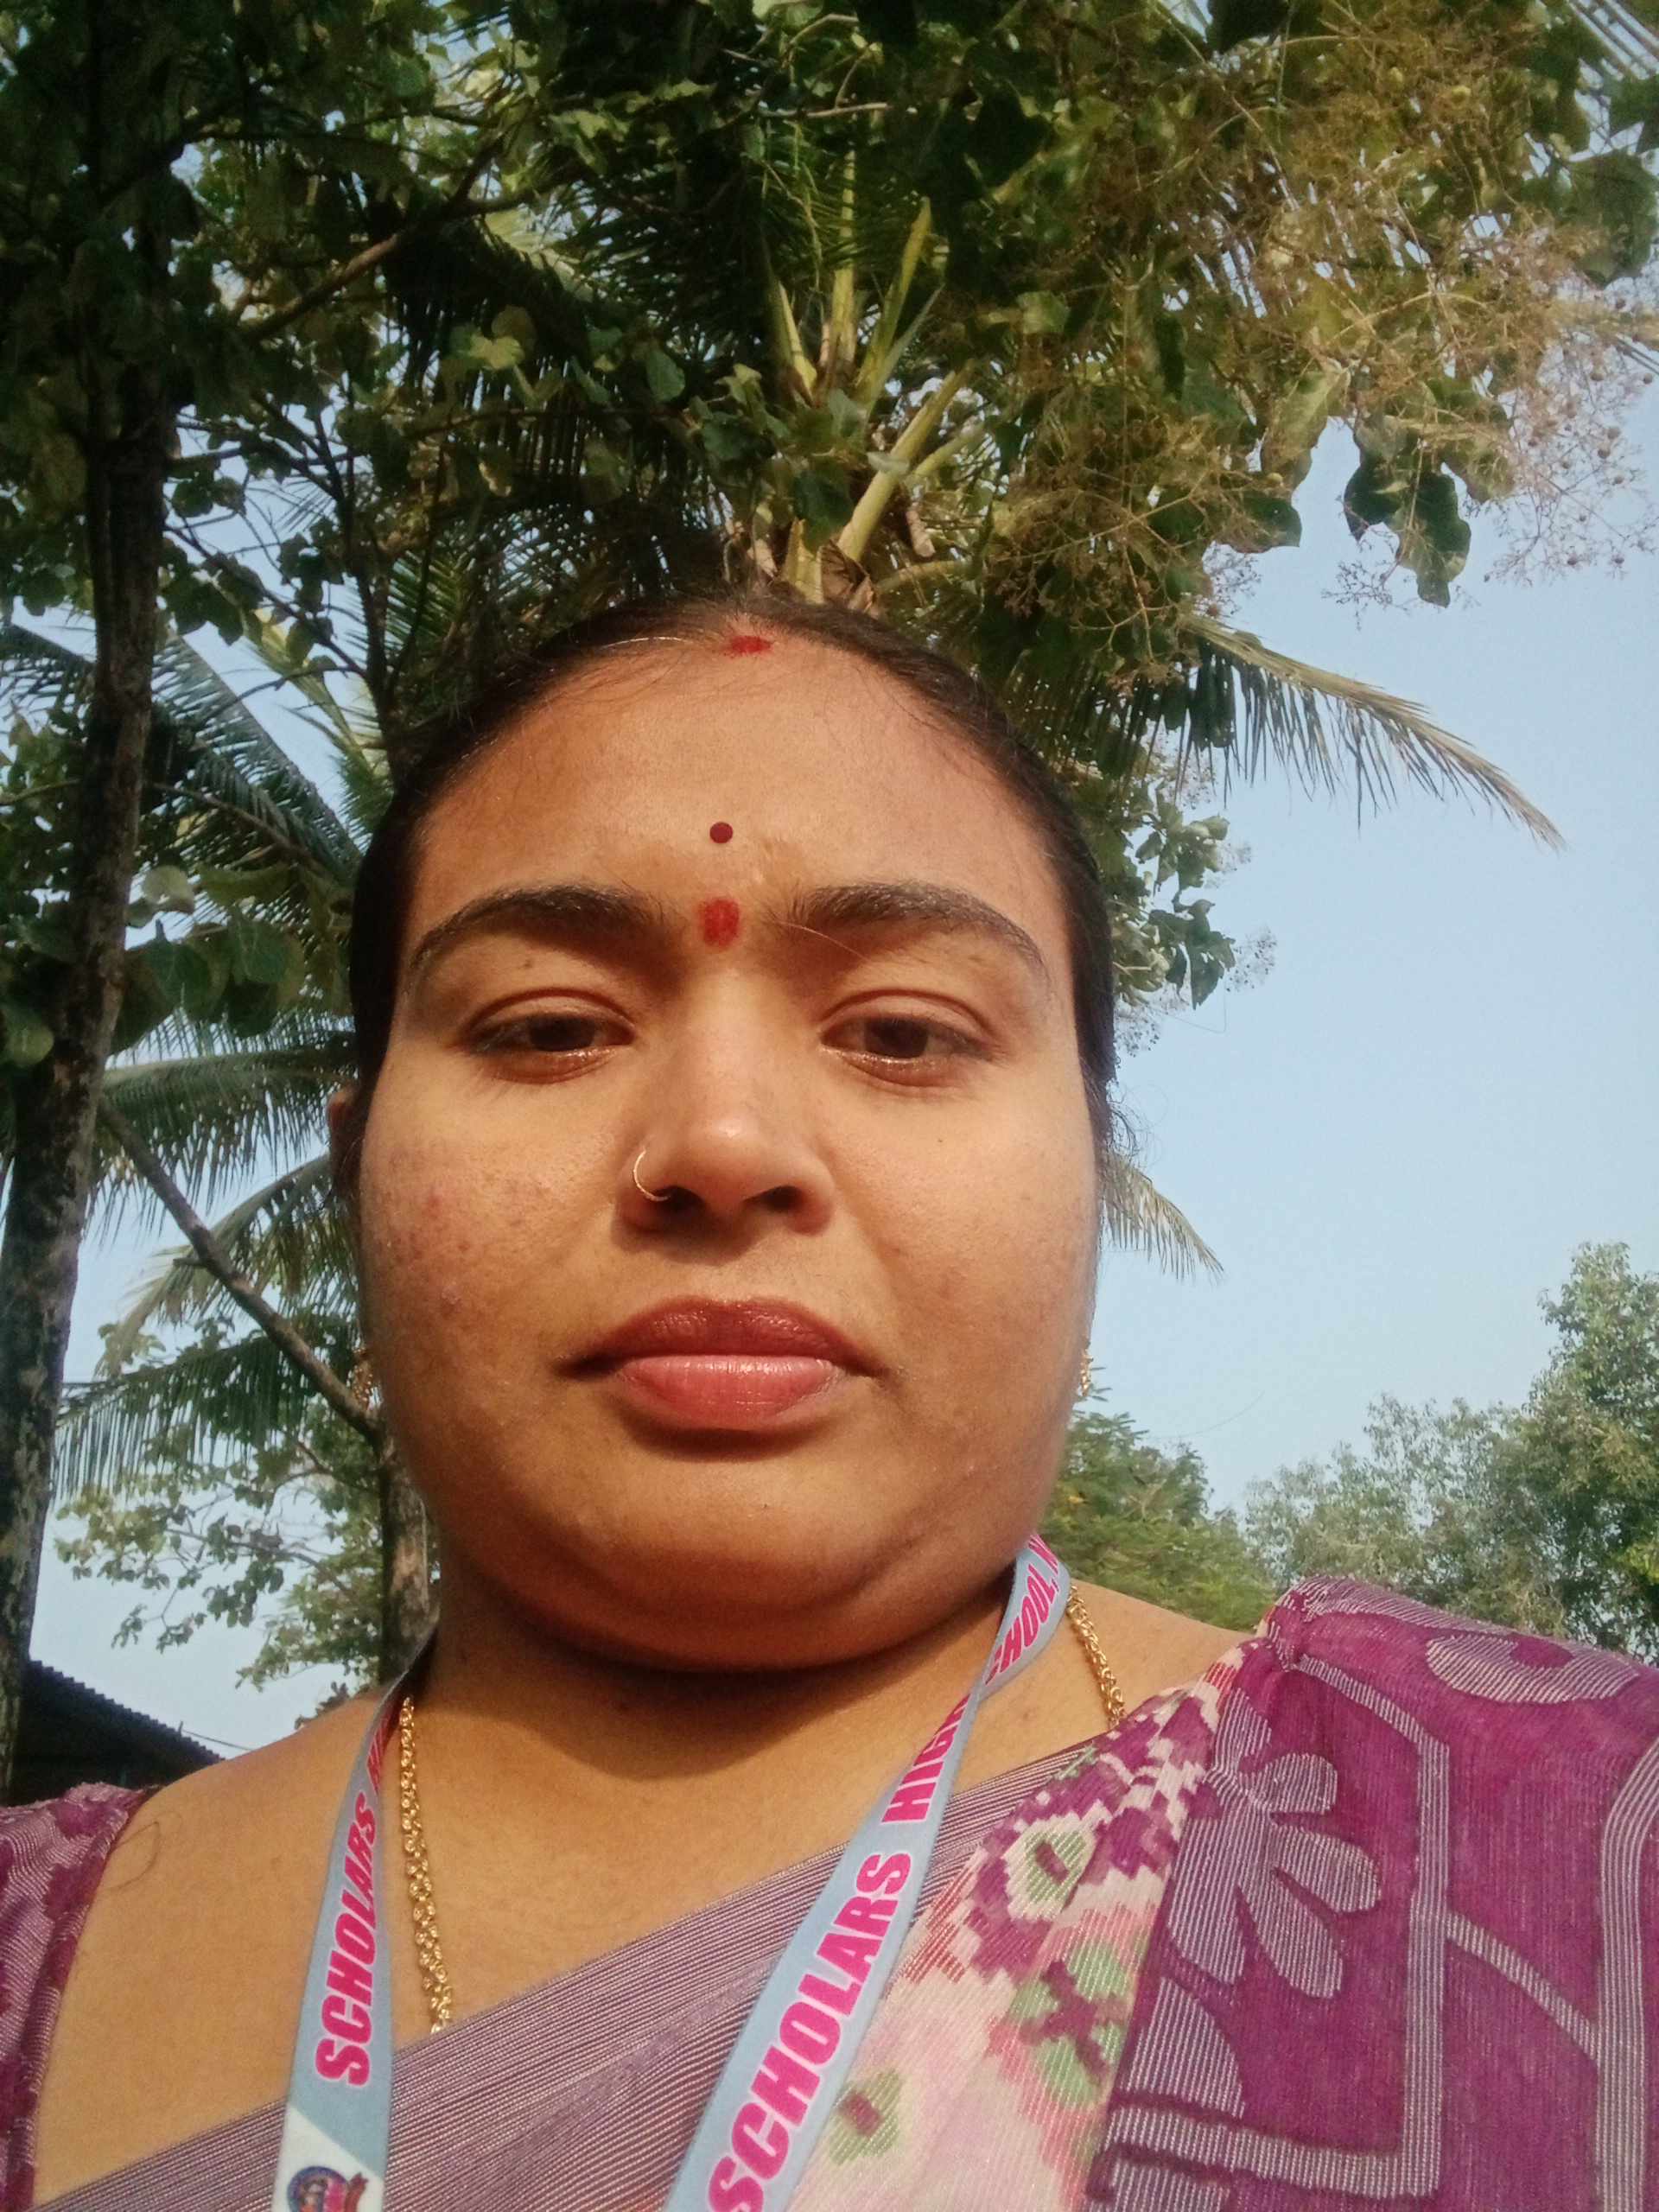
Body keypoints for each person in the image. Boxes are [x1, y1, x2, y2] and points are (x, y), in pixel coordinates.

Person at [10, 590, 1656, 2211]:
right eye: (551, 1024)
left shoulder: (1579, 1848)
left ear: (1093, 1170)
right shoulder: (38, 1961)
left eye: (904, 1032)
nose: (723, 1146)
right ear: (356, 1167)